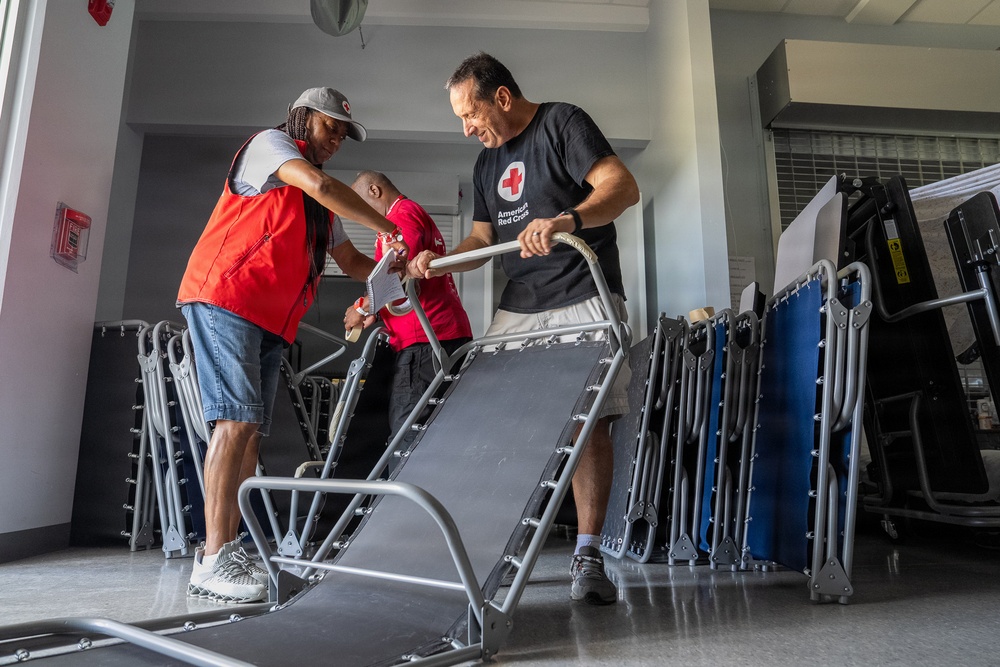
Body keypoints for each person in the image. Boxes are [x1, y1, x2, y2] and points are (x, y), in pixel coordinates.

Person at [408, 53, 640, 606]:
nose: (467, 129)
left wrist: (566, 220)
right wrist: (438, 261)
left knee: (591, 425)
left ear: (503, 98)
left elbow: (622, 186)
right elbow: (481, 241)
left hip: (583, 289)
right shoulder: (485, 164)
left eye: (471, 115)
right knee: (490, 414)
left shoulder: (563, 123)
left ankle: (587, 555)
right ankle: (495, 547)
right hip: (521, 302)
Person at [176, 87, 408, 603]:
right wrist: (389, 227)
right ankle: (211, 560)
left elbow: (352, 263)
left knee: (250, 435)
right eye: (330, 128)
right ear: (303, 119)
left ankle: (227, 549)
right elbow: (321, 183)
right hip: (226, 298)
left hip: (268, 319)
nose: (336, 142)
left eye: (343, 136)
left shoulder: (322, 211)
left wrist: (400, 274)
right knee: (234, 423)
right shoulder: (271, 147)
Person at [345, 171, 473, 446]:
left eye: (359, 205)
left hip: (423, 342)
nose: (358, 215)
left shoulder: (399, 218)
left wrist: (362, 307)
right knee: (435, 437)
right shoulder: (410, 214)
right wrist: (377, 309)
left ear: (375, 191)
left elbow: (398, 271)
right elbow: (406, 279)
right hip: (438, 335)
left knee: (407, 439)